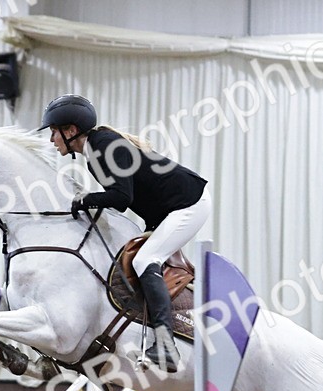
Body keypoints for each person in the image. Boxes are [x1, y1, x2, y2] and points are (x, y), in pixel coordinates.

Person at [39, 94, 211, 373]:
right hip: (166, 210)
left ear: (70, 131)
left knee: (145, 261)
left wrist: (84, 199)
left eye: (54, 132)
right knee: (134, 258)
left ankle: (167, 345)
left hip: (189, 204)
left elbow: (121, 198)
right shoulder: (96, 150)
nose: (51, 140)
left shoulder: (104, 147)